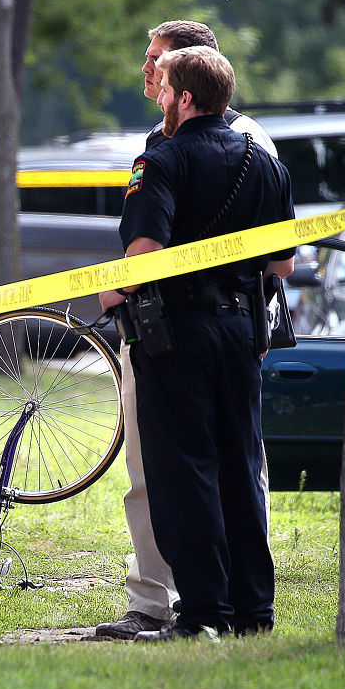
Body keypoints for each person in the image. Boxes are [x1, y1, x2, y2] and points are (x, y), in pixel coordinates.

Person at [98, 46, 294, 640]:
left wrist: (113, 291)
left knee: (183, 470)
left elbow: (144, 257)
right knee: (240, 464)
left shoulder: (159, 162)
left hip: (174, 335)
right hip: (241, 329)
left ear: (184, 98)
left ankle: (203, 612)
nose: (158, 96)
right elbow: (282, 264)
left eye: (164, 89)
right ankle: (253, 611)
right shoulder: (265, 162)